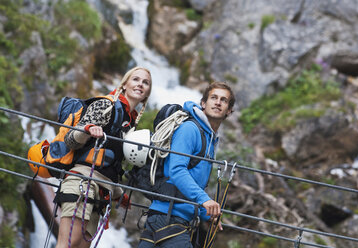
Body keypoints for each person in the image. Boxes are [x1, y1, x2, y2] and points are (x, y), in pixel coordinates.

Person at [55, 66, 152, 248]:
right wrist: (87, 130)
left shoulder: (130, 123)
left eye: (145, 83)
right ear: (124, 84)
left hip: (102, 192)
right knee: (68, 243)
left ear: (147, 94)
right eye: (136, 79)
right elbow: (70, 140)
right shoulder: (105, 105)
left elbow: (112, 164)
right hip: (81, 181)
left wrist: (118, 193)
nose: (140, 84)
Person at [138, 82, 235, 247]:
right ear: (203, 103)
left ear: (229, 111)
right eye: (213, 98)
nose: (218, 102)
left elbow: (193, 180)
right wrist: (205, 200)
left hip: (171, 218)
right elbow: (176, 170)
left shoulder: (210, 138)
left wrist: (207, 214)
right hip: (168, 217)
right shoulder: (190, 129)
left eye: (223, 100)